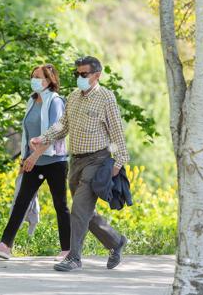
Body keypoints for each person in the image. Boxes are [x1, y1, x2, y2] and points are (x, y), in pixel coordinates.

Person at [30, 56, 129, 272]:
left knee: (79, 208)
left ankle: (74, 258)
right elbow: (62, 126)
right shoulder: (73, 97)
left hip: (98, 160)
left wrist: (119, 162)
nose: (79, 77)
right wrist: (43, 138)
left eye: (84, 74)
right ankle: (116, 241)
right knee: (84, 211)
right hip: (76, 161)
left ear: (96, 75)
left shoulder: (106, 97)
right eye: (77, 74)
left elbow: (116, 132)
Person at [0, 64, 71, 260]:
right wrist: (24, 159)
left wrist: (34, 156)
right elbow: (27, 133)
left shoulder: (56, 102)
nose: (34, 79)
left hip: (55, 161)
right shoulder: (31, 101)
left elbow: (55, 132)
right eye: (32, 76)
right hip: (33, 161)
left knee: (60, 205)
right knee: (21, 201)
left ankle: (67, 250)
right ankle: (5, 245)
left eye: (38, 76)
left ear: (48, 81)